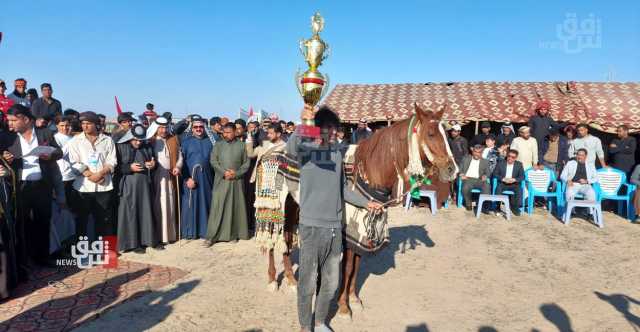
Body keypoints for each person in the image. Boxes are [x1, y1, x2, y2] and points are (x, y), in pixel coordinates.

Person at [288, 105, 380, 332]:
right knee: (307, 283)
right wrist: (305, 123)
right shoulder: (307, 151)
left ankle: (319, 322)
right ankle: (304, 326)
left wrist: (366, 203)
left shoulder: (337, 156)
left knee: (330, 283)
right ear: (318, 129)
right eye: (327, 128)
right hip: (311, 227)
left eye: (334, 128)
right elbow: (291, 147)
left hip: (334, 228)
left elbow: (343, 190)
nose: (332, 132)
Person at [4, 104, 63, 269]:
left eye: (14, 120)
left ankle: (42, 257)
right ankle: (22, 260)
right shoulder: (7, 138)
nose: (10, 124)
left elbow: (59, 152)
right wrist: (5, 158)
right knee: (20, 223)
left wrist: (50, 154)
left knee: (43, 222)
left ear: (26, 119)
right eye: (8, 121)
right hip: (19, 187)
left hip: (42, 185)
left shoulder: (45, 133)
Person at [67, 111, 117, 240]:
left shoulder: (107, 140)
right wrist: (90, 175)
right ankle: (80, 249)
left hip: (103, 186)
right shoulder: (76, 141)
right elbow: (74, 161)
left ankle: (102, 249)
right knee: (81, 220)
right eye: (83, 123)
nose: (85, 126)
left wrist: (100, 173)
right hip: (83, 187)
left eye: (88, 123)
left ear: (96, 124)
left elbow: (112, 161)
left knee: (103, 220)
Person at [205, 123, 250, 246]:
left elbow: (246, 164)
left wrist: (236, 173)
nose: (226, 134)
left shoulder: (242, 146)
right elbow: (213, 161)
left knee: (235, 207)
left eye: (229, 132)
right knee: (217, 206)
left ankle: (233, 234)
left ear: (235, 132)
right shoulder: (218, 145)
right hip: (221, 180)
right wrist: (223, 172)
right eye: (224, 132)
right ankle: (212, 236)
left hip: (236, 181)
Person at [115, 124, 158, 252]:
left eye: (140, 140)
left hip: (144, 185)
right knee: (130, 213)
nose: (138, 143)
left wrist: (152, 165)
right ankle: (133, 244)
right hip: (128, 186)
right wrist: (129, 168)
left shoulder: (146, 146)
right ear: (129, 138)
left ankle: (147, 240)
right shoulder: (120, 146)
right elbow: (115, 167)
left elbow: (152, 160)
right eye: (135, 140)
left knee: (145, 211)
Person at [246, 123, 287, 253]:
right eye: (267, 133)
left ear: (279, 134)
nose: (268, 135)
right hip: (261, 180)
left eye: (270, 133)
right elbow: (251, 154)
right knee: (262, 208)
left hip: (277, 182)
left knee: (276, 207)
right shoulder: (264, 145)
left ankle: (275, 234)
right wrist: (249, 140)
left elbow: (287, 166)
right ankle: (264, 233)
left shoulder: (286, 147)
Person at [149, 117, 182, 245]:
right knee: (159, 205)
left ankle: (171, 235)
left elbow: (180, 156)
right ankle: (160, 236)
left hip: (171, 176)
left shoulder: (173, 139)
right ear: (156, 129)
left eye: (165, 127)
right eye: (160, 128)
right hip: (157, 178)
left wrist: (178, 167)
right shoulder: (150, 141)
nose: (163, 130)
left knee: (170, 204)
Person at [180, 117, 213, 239]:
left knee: (206, 203)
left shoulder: (210, 141)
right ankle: (190, 232)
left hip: (207, 179)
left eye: (201, 127)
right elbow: (181, 163)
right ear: (192, 129)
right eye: (196, 127)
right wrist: (187, 178)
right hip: (191, 179)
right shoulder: (185, 142)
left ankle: (205, 231)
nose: (198, 129)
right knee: (190, 205)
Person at [54, 116, 78, 213]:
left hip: (75, 173)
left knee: (72, 202)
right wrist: (72, 142)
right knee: (62, 202)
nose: (65, 128)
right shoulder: (55, 138)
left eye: (67, 125)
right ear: (57, 126)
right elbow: (60, 154)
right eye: (62, 125)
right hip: (62, 174)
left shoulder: (73, 138)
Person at [458, 145, 491, 212]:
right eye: (475, 152)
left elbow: (488, 173)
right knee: (465, 187)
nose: (476, 154)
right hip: (467, 179)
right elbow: (459, 169)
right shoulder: (465, 159)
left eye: (479, 152)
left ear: (481, 153)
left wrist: (485, 176)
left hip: (479, 180)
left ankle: (484, 205)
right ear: (472, 151)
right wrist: (461, 174)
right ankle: (468, 203)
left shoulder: (485, 161)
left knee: (487, 186)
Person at [492, 149, 525, 216]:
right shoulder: (501, 163)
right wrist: (503, 179)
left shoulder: (519, 164)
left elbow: (522, 176)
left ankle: (515, 207)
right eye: (509, 156)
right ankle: (498, 206)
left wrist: (514, 179)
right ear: (507, 155)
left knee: (519, 189)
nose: (510, 158)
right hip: (503, 183)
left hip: (513, 184)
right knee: (498, 188)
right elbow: (495, 174)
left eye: (513, 157)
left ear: (516, 158)